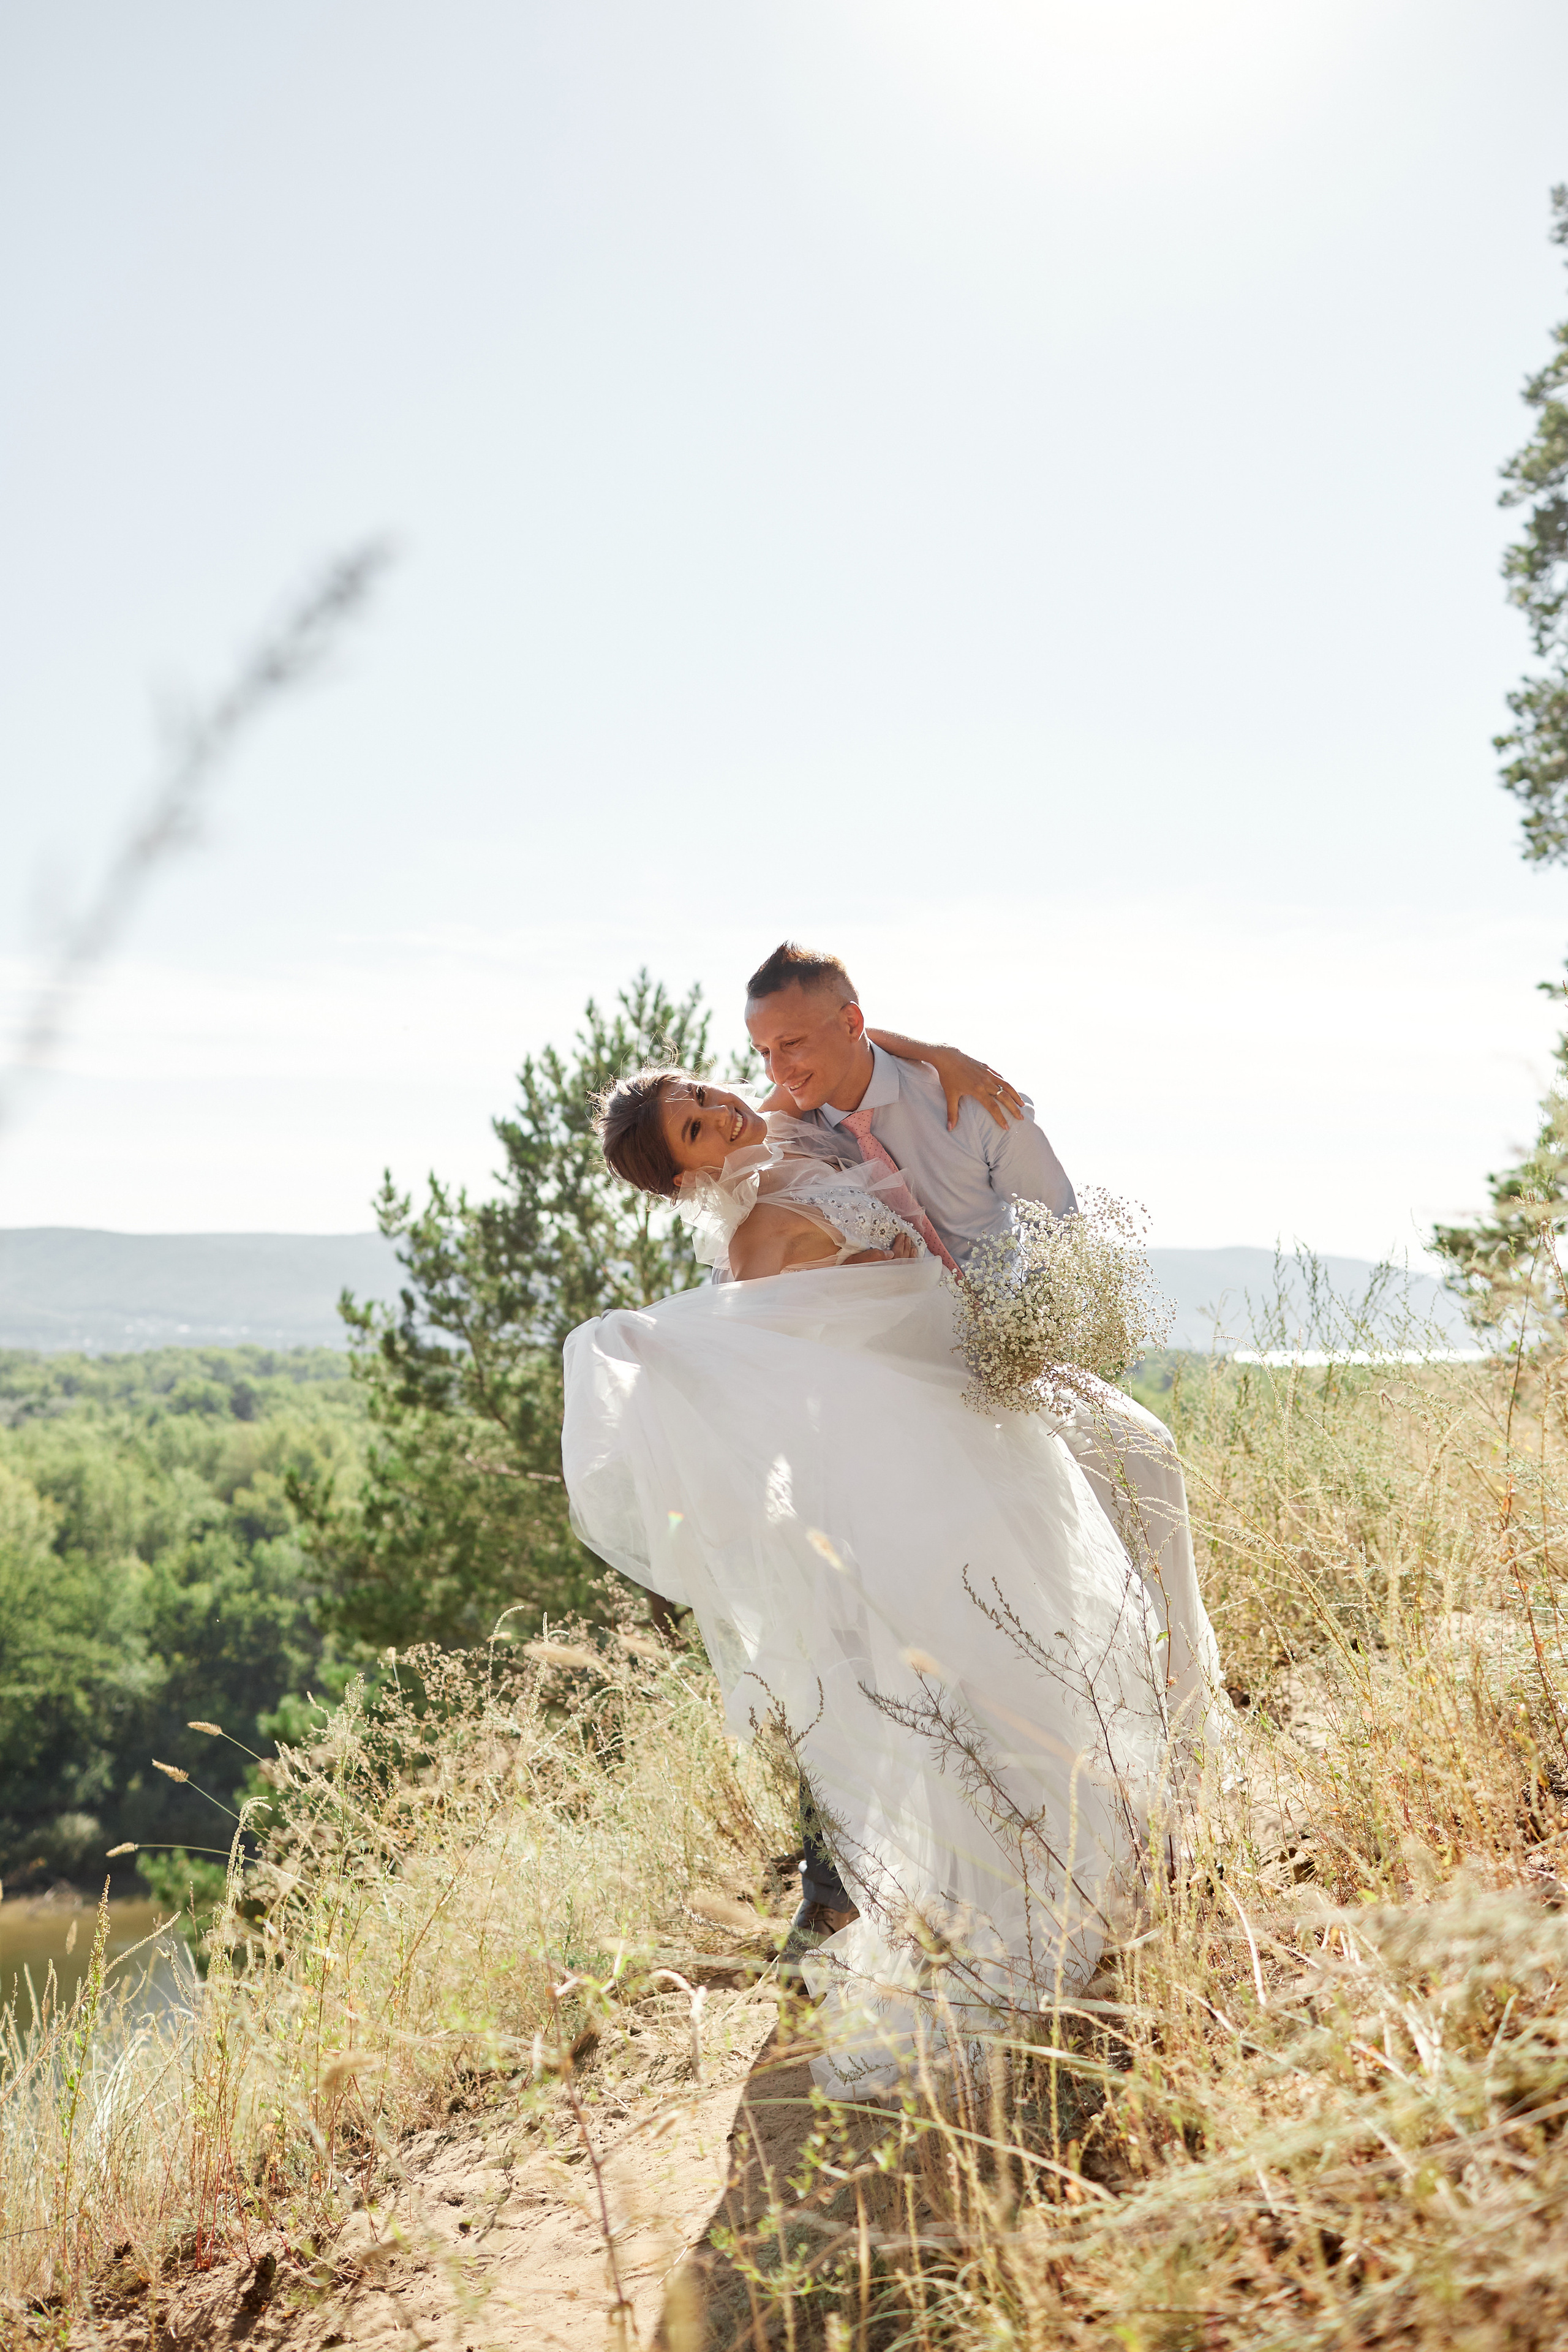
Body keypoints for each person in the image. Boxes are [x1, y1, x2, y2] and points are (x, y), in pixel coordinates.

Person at [561, 1060, 1219, 2095]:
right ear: (684, 1176)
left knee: (1068, 1610)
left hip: (976, 1416)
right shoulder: (751, 1240)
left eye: (706, 1095)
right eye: (694, 1128)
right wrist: (665, 1348)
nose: (720, 1111)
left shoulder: (789, 1140)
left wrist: (946, 1061)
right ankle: (1010, 1904)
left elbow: (833, 1034)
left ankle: (1117, 1849)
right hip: (913, 1462)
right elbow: (774, 1386)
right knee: (997, 1663)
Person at [743, 942, 1227, 1765]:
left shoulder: (971, 1103)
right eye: (762, 1050)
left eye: (792, 1043)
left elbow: (1062, 1230)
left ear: (853, 1023)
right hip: (899, 1385)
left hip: (1013, 1357)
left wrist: (1026, 1339)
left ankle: (1181, 1733)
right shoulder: (791, 1125)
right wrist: (921, 1044)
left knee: (1147, 1458)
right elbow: (725, 1123)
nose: (778, 1066)